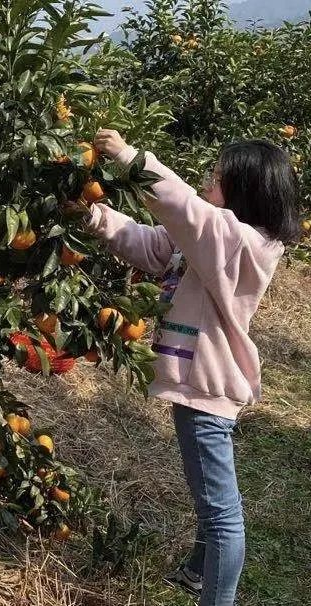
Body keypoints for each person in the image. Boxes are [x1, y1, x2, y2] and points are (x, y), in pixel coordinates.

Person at [87, 129, 301, 606]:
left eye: (220, 177)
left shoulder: (243, 243)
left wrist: (129, 158)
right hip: (198, 383)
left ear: (246, 191)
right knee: (210, 498)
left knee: (221, 511)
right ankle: (196, 573)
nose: (210, 179)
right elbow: (153, 245)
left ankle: (216, 597)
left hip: (207, 389)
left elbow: (185, 209)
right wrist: (96, 215)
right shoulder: (213, 239)